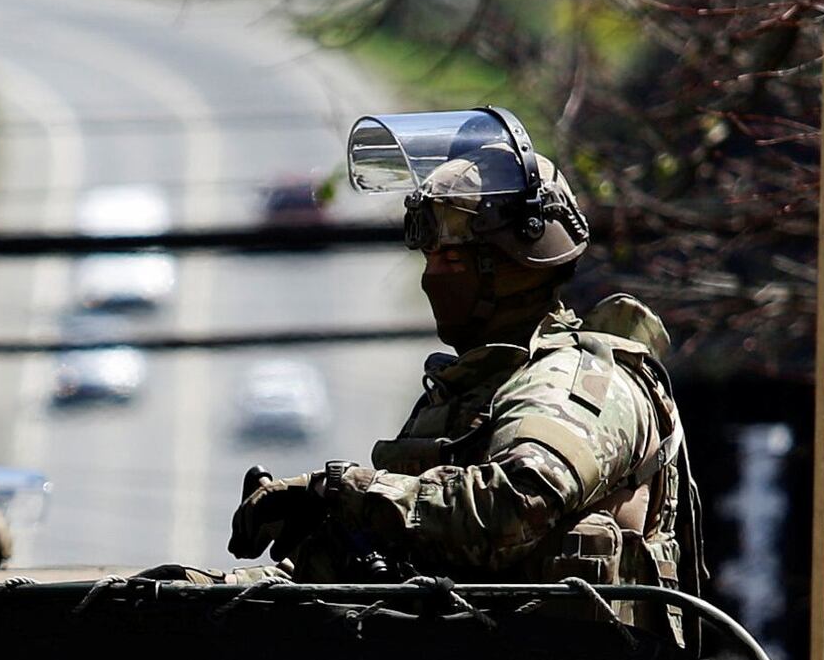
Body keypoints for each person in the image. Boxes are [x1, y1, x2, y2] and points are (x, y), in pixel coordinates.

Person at [229, 107, 690, 584]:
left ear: (514, 265)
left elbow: (509, 510)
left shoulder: (579, 380)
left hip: (540, 637)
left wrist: (340, 490)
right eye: (429, 258)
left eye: (451, 259)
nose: (431, 278)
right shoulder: (470, 391)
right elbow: (370, 565)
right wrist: (200, 589)